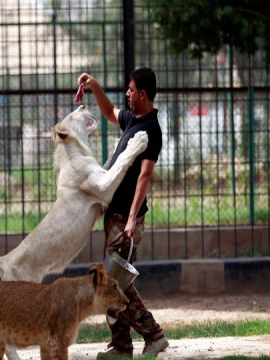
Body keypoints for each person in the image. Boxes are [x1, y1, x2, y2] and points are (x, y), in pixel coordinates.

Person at [77, 68, 168, 359]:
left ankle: (153, 334)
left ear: (142, 94)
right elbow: (109, 112)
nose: (126, 94)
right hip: (114, 215)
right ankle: (121, 346)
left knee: (112, 284)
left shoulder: (151, 129)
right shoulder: (132, 120)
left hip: (126, 221)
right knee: (112, 282)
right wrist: (94, 86)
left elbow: (145, 176)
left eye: (130, 90)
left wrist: (130, 218)